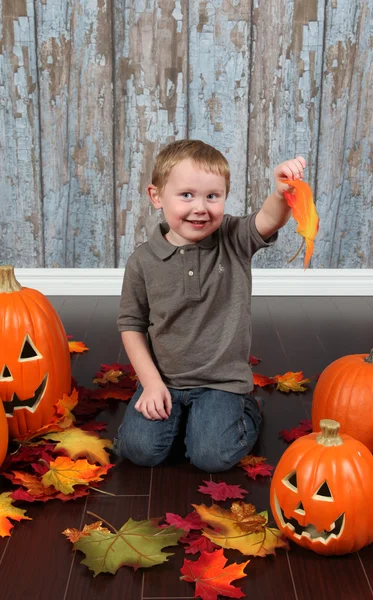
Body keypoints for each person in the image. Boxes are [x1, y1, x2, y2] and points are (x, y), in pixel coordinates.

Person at [114, 139, 306, 472]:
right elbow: (132, 324)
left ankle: (247, 411)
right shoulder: (143, 261)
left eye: (212, 196)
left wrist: (281, 194)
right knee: (139, 450)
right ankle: (184, 419)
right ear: (156, 196)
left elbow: (269, 220)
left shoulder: (234, 238)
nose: (200, 207)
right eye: (186, 195)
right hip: (166, 379)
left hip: (222, 381)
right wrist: (152, 382)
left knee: (211, 457)